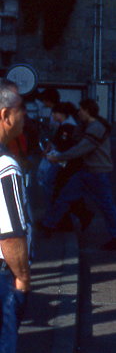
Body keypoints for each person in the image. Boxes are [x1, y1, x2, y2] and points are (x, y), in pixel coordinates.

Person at [40, 99, 116, 252]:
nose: (78, 112)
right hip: (87, 170)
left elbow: (81, 148)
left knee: (106, 205)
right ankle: (49, 224)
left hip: (97, 172)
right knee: (65, 196)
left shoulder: (96, 127)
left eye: (81, 110)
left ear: (87, 110)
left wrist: (59, 157)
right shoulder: (89, 126)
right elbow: (77, 140)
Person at [0, 81, 31, 352]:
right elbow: (10, 235)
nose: (25, 115)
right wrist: (22, 278)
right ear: (6, 115)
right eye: (22, 109)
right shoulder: (6, 166)